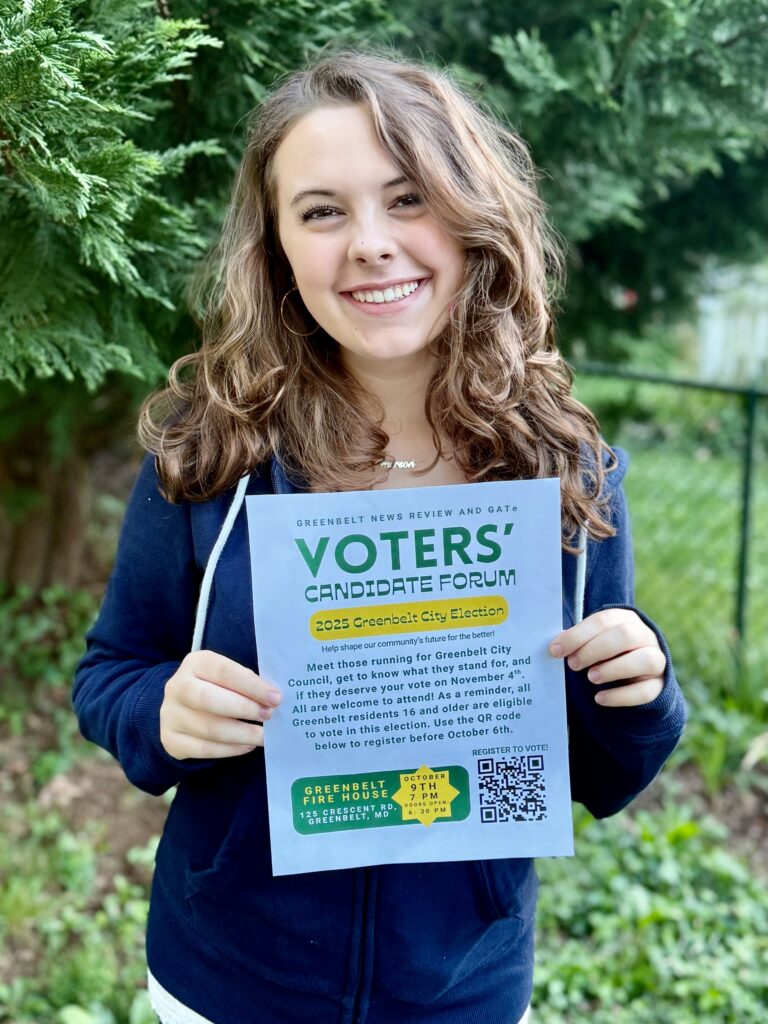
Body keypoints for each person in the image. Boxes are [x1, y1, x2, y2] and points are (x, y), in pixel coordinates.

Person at [73, 50, 687, 1024]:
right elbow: (111, 674)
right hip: (228, 985)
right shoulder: (209, 456)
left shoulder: (565, 470)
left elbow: (604, 764)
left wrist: (640, 687)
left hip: (461, 992)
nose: (369, 243)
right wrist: (161, 713)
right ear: (275, 246)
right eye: (321, 211)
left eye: (408, 198)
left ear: (470, 216)